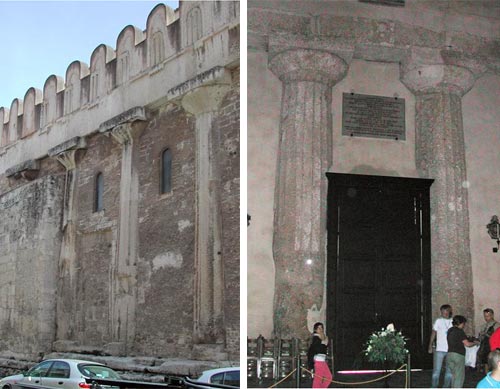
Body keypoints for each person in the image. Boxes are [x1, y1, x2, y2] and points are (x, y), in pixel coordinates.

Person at [447, 315, 480, 388]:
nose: (464, 326)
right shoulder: (459, 331)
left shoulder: (450, 330)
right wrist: (475, 343)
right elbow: (467, 344)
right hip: (458, 355)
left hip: (449, 354)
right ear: (461, 323)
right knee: (459, 377)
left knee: (454, 376)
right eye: (463, 324)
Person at [429, 304, 453, 388]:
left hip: (450, 349)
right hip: (439, 349)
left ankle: (445, 387)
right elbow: (433, 333)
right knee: (436, 372)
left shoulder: (453, 322)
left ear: (449, 312)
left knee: (449, 372)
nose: (445, 313)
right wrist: (430, 345)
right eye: (443, 312)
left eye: (446, 312)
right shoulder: (438, 321)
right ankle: (434, 386)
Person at [307, 322, 332, 388]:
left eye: (322, 328)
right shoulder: (316, 338)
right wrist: (324, 344)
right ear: (315, 329)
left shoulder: (323, 338)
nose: (321, 329)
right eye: (319, 328)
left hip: (322, 360)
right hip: (318, 360)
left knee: (328, 377)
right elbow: (318, 349)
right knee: (318, 379)